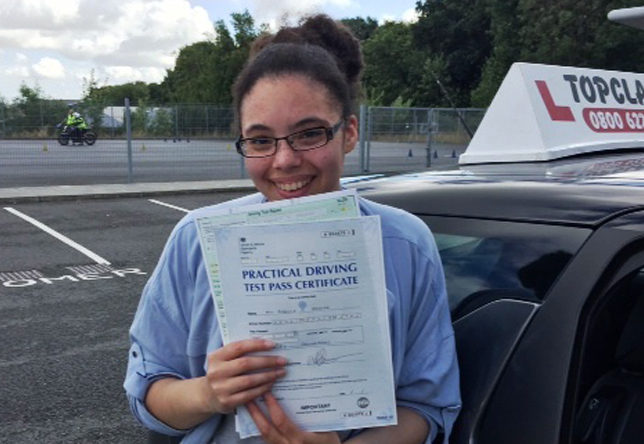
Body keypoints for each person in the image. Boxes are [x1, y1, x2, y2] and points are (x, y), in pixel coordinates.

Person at [124, 14, 461, 444]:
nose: (284, 161)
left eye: (309, 134)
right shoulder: (197, 239)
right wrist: (208, 393)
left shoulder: (407, 244)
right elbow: (149, 393)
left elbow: (426, 407)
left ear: (349, 133)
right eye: (261, 140)